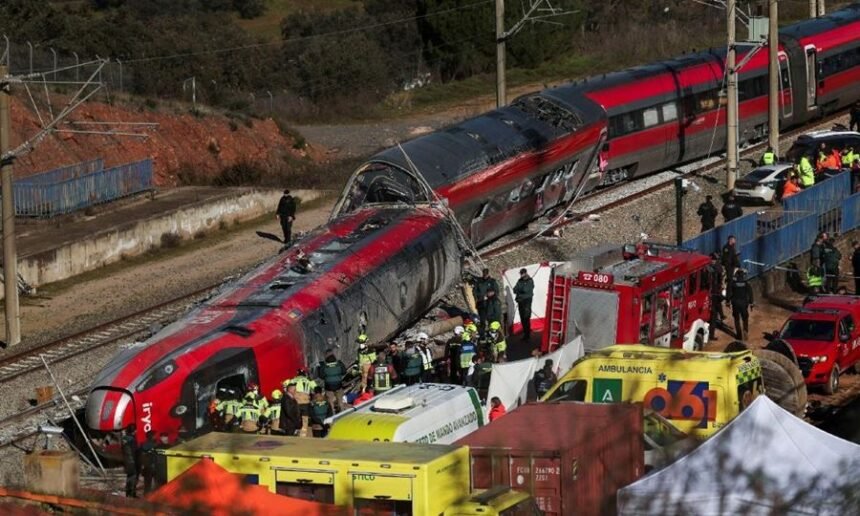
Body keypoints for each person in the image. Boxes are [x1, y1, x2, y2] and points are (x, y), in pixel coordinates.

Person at [316, 348, 347, 413]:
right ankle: (342, 411)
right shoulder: (339, 363)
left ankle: (332, 413)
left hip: (329, 386)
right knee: (340, 400)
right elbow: (344, 372)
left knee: (330, 401)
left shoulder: (324, 366)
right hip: (338, 385)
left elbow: (321, 376)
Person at [473, 268, 500, 336]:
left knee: (491, 320)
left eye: (486, 274)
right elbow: (475, 292)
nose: (485, 275)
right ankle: (482, 336)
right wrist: (481, 297)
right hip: (481, 304)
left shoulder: (492, 282)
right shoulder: (479, 282)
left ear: (488, 274)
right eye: (484, 274)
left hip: (490, 304)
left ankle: (493, 334)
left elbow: (497, 292)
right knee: (482, 321)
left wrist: (491, 294)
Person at [729, 269, 753, 341]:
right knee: (745, 319)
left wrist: (728, 301)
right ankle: (745, 332)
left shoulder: (733, 284)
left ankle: (739, 335)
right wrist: (751, 303)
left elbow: (730, 293)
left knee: (736, 319)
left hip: (735, 304)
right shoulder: (746, 284)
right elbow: (750, 294)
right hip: (744, 304)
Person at [513, 268, 534, 341]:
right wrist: (520, 290)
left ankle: (527, 335)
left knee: (526, 318)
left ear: (525, 273)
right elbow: (514, 289)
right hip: (520, 301)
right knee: (522, 318)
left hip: (527, 301)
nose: (521, 275)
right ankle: (525, 334)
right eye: (520, 273)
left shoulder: (529, 280)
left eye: (522, 273)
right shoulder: (520, 281)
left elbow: (526, 290)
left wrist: (519, 290)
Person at [121, 425, 139, 498]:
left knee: (129, 477)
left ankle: (127, 493)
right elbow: (134, 451)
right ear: (133, 431)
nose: (136, 431)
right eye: (135, 430)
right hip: (132, 461)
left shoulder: (124, 439)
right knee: (133, 478)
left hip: (126, 461)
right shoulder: (132, 440)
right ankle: (132, 494)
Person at [139, 430, 157, 495]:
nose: (156, 436)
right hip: (151, 467)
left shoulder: (144, 444)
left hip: (148, 467)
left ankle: (146, 497)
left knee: (147, 485)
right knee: (154, 484)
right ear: (151, 436)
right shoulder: (153, 445)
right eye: (154, 435)